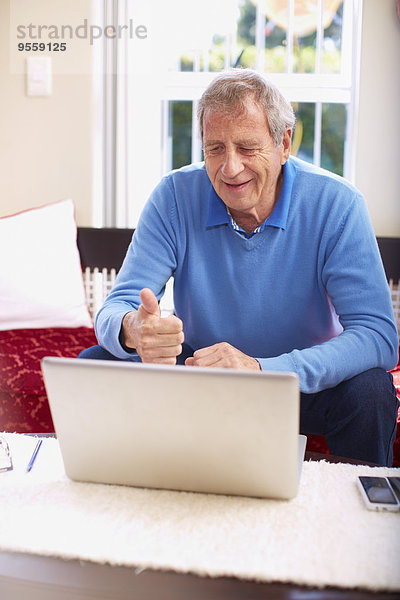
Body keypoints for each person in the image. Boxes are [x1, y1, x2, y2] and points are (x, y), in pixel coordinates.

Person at [81, 68, 399, 466]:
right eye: (215, 148)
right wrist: (134, 330)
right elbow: (115, 308)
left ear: (284, 144)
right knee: (97, 362)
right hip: (203, 371)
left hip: (301, 381)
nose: (230, 168)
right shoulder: (174, 196)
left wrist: (262, 369)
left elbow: (378, 337)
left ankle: (357, 517)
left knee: (371, 391)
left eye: (247, 148)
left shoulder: (337, 204)